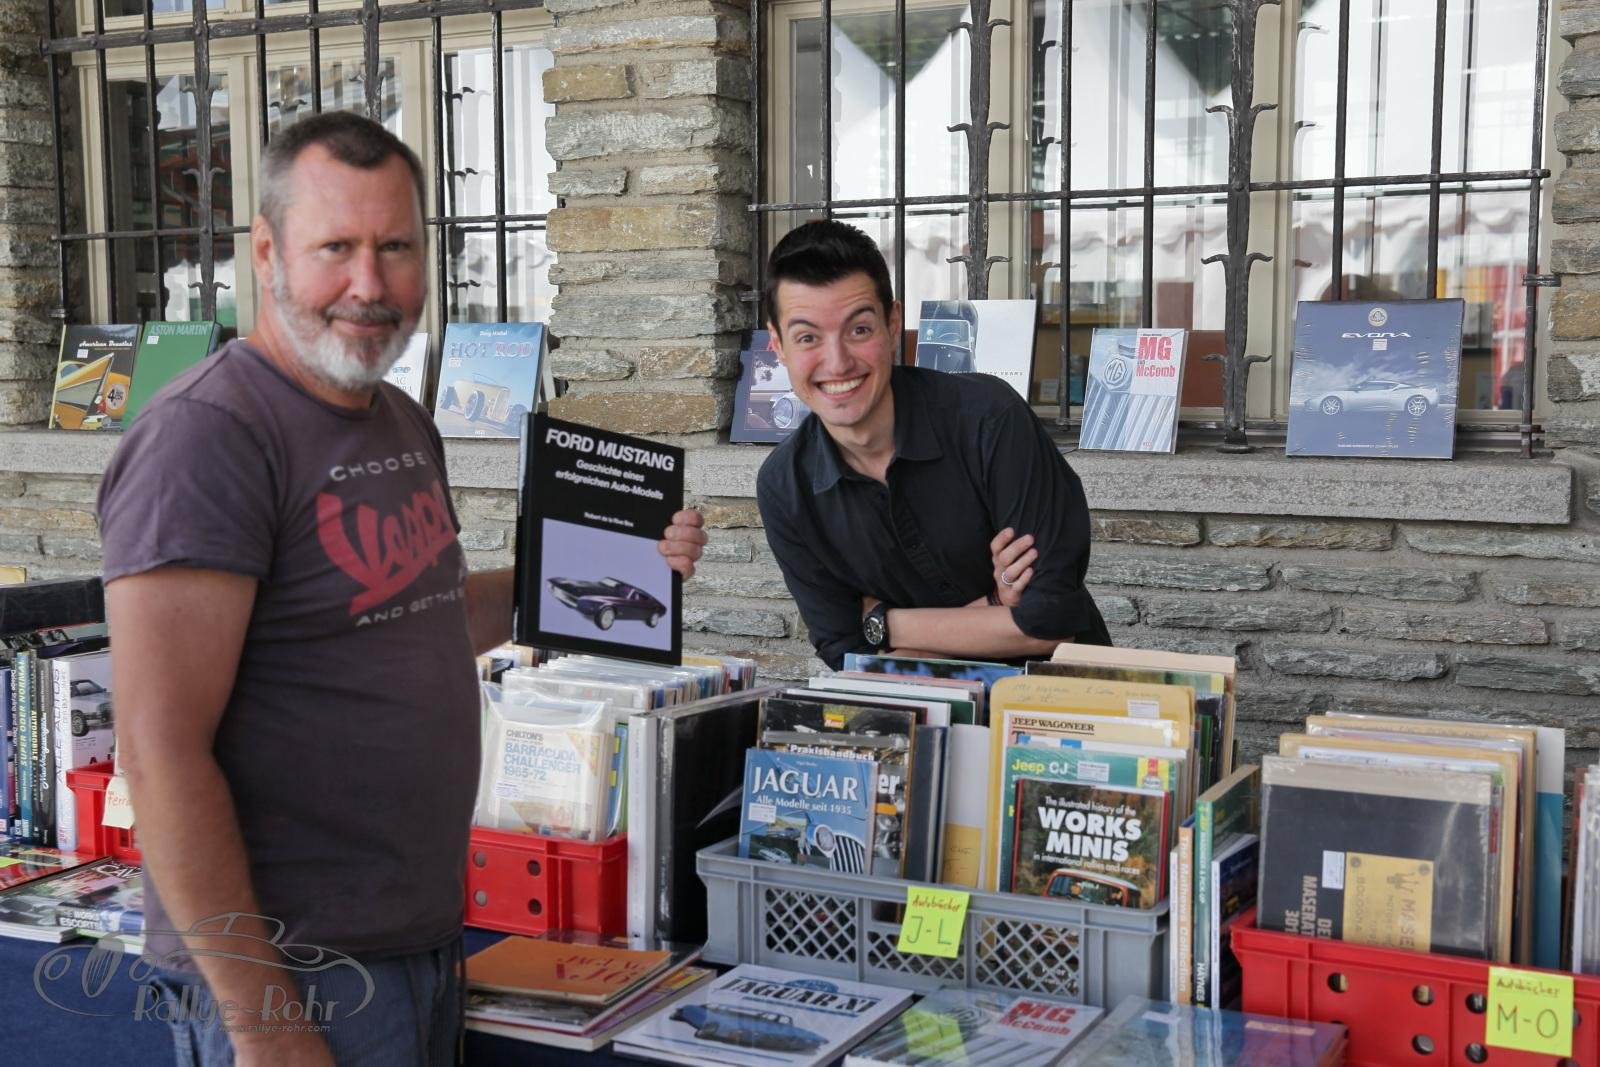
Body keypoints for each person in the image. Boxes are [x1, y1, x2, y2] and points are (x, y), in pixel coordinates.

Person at [95, 112, 706, 1067]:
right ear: (267, 252)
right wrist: (265, 1021)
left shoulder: (397, 418)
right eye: (335, 248)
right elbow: (160, 749)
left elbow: (428, 617)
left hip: (417, 942)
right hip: (301, 972)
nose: (370, 285)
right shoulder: (206, 437)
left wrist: (627, 569)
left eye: (396, 248)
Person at [755, 220, 1110, 670]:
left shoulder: (989, 420)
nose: (838, 362)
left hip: (1054, 700)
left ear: (893, 324)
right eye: (808, 337)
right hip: (907, 708)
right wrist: (995, 606)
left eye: (859, 330)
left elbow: (1051, 620)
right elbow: (843, 651)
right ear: (778, 345)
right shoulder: (785, 486)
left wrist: (882, 623)